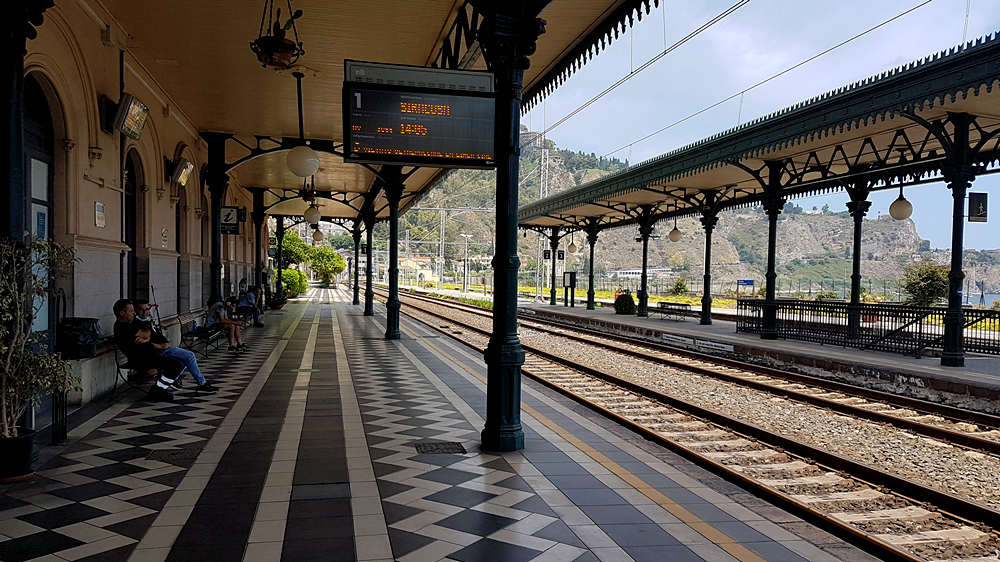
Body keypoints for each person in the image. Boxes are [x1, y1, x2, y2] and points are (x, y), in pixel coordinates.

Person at [134, 300, 216, 394]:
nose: (144, 312)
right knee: (189, 355)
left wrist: (152, 338)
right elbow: (144, 338)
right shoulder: (136, 323)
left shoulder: (146, 321)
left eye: (147, 309)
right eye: (140, 309)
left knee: (185, 359)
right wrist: (155, 341)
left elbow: (151, 335)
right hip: (158, 350)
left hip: (163, 346)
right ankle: (201, 383)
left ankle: (175, 379)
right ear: (135, 311)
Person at [112, 299, 179, 403]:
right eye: (131, 311)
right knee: (175, 364)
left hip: (145, 355)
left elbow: (147, 333)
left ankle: (159, 388)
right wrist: (156, 343)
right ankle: (158, 389)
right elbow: (147, 333)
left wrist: (147, 335)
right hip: (140, 359)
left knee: (176, 362)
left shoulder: (127, 326)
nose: (134, 313)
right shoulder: (125, 328)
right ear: (122, 313)